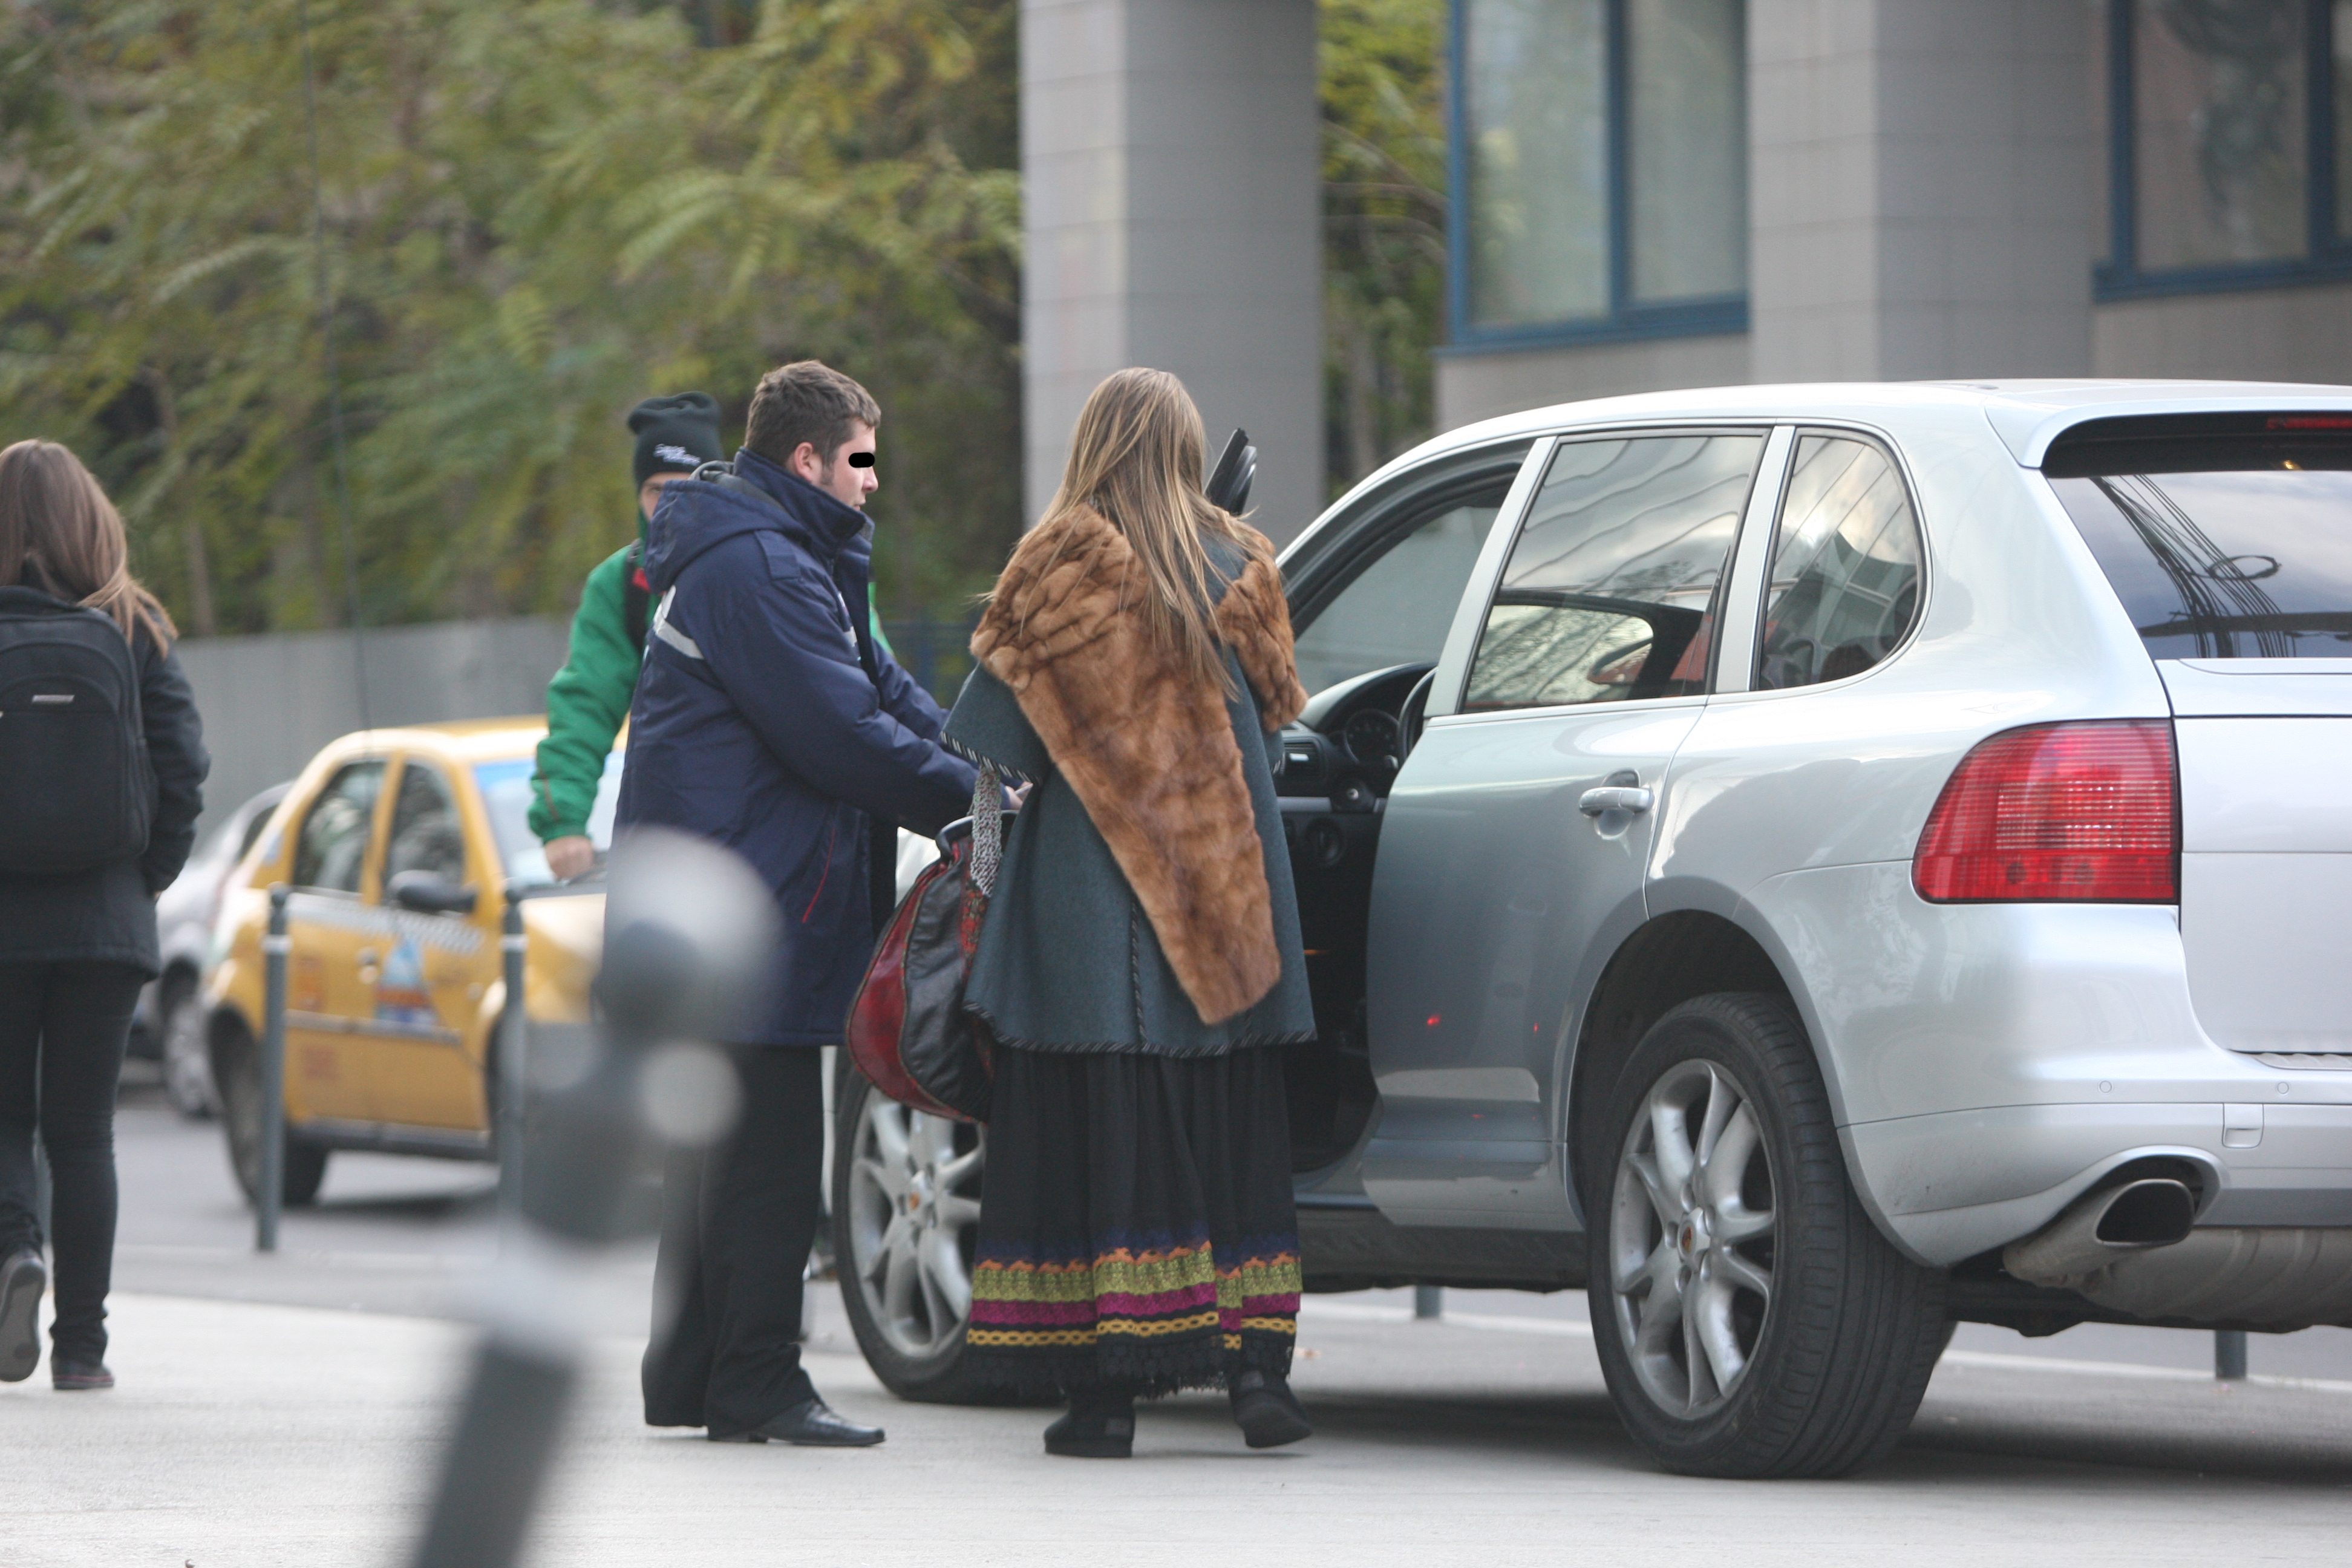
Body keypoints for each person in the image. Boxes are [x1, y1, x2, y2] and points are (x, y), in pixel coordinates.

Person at [942, 367, 1316, 1458]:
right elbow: (1282, 729)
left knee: (1091, 1136)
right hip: (1224, 904)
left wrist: (976, 888)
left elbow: (991, 769)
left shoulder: (1051, 565)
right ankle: (1257, 1384)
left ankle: (1102, 1401)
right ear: (1186, 451)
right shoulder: (1245, 562)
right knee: (1229, 1129)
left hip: (1084, 914)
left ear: (1093, 445)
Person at [617, 359, 975, 1446]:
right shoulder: (763, 567)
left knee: (713, 1162)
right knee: (767, 1160)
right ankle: (758, 1384)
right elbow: (840, 732)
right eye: (860, 460)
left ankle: (690, 1379)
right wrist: (983, 796)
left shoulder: (775, 557)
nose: (874, 482)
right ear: (807, 459)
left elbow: (881, 688)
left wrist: (978, 755)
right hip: (746, 908)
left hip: (724, 897)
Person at [0, 440, 207, 1391]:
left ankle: (14, 1257)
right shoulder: (135, 626)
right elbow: (183, 771)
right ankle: (83, 1349)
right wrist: (141, 879)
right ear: (93, 520)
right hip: (105, 921)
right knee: (84, 1133)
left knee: (5, 1118)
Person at [529, 392, 728, 883]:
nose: (672, 504)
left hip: (781, 834)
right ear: (638, 495)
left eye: (690, 485)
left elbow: (861, 681)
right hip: (670, 844)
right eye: (657, 490)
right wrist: (564, 823)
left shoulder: (772, 566)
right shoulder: (620, 587)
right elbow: (584, 707)